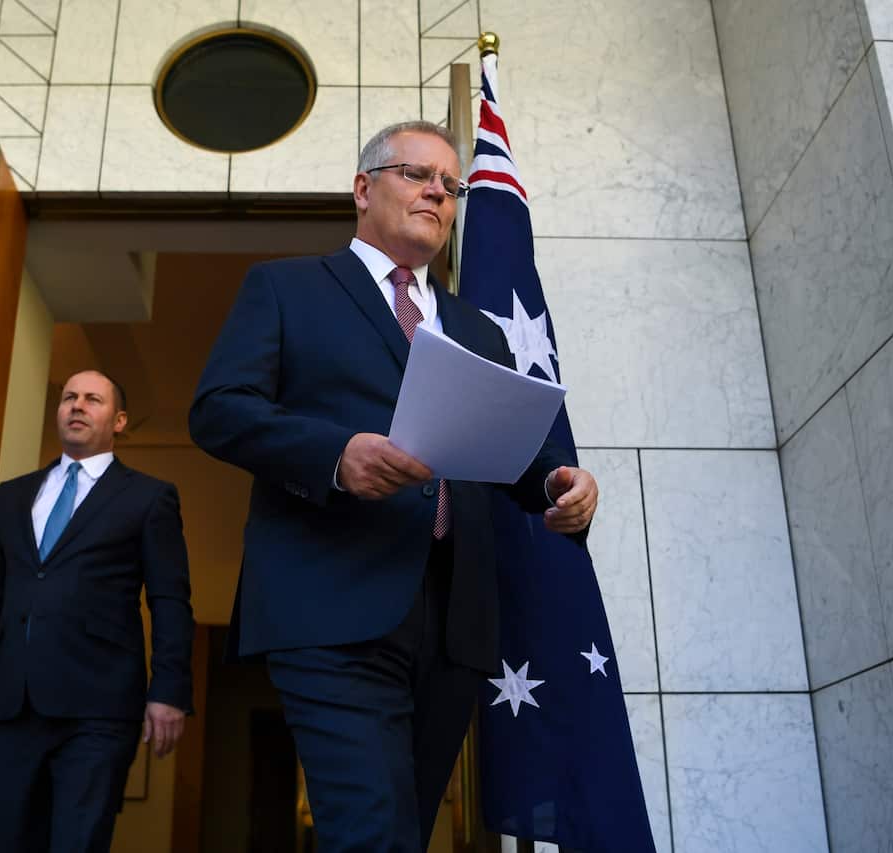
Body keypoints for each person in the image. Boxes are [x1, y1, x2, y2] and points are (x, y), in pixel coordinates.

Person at [188, 121, 599, 852]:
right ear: (362, 188)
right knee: (371, 834)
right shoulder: (286, 288)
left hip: (452, 622)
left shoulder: (479, 330)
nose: (437, 193)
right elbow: (218, 412)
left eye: (450, 185)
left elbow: (512, 454)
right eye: (417, 174)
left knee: (403, 831)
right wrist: (336, 454)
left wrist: (557, 483)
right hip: (330, 609)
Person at [0, 369, 193, 853]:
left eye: (92, 399)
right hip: (16, 706)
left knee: (78, 844)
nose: (77, 406)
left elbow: (169, 601)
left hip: (98, 711)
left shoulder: (149, 498)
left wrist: (168, 690)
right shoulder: (13, 496)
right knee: (12, 841)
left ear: (119, 420)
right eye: (69, 398)